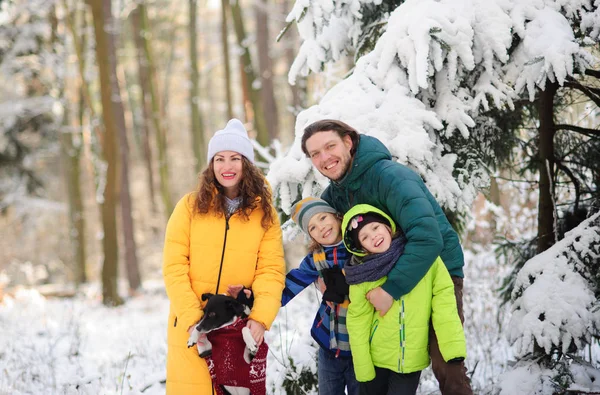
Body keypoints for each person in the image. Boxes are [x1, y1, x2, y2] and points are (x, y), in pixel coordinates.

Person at [301, 119, 473, 394]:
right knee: (379, 364)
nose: (325, 158)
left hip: (434, 270)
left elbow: (428, 237)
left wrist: (391, 290)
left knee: (446, 362)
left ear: (348, 142)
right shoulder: (333, 197)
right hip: (376, 283)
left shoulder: (389, 176)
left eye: (330, 146)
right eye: (315, 154)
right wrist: (325, 277)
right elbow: (325, 243)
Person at [162, 119, 286, 394]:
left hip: (236, 327)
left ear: (247, 164)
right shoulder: (189, 207)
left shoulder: (263, 213)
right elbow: (173, 266)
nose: (226, 166)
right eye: (219, 159)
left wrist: (261, 318)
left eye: (234, 158)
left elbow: (270, 270)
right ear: (211, 164)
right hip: (193, 325)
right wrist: (195, 318)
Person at [341, 204, 466, 395]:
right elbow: (358, 321)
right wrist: (363, 367)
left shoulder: (422, 259)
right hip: (376, 360)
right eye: (364, 237)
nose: (373, 236)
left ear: (388, 226)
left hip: (410, 361)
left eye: (375, 228)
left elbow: (445, 303)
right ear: (361, 249)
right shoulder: (363, 274)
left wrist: (452, 349)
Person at [282, 197, 359, 395]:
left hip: (361, 347)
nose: (321, 227)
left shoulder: (359, 246)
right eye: (313, 227)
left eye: (323, 218)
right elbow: (292, 283)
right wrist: (260, 301)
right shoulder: (316, 259)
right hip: (328, 343)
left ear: (337, 216)